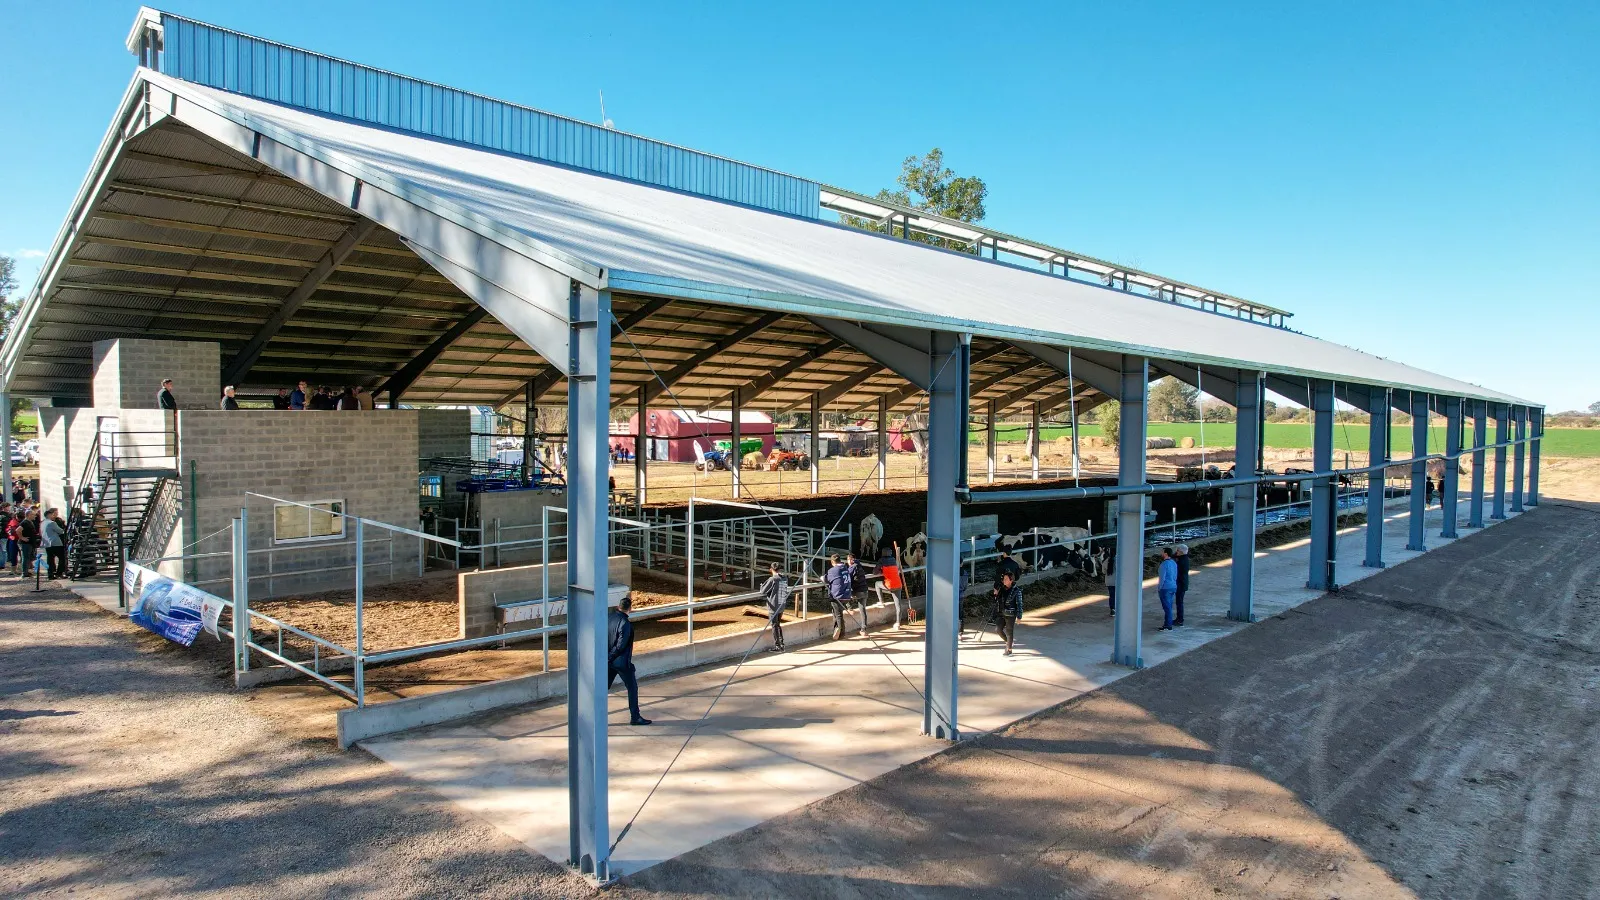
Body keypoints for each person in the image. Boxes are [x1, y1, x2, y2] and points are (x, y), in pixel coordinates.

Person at [607, 595, 651, 725]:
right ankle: (635, 717)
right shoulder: (626, 624)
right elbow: (621, 645)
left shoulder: (608, 618)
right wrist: (611, 656)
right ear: (630, 609)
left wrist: (606, 658)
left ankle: (593, 715)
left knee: (602, 688)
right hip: (620, 662)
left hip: (608, 661)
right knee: (632, 687)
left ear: (618, 607)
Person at [990, 570, 1024, 656]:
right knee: (998, 629)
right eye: (1003, 579)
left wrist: (1019, 616)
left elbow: (1019, 604)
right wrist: (996, 594)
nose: (1004, 580)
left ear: (1011, 580)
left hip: (1010, 614)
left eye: (1006, 579)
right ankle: (1008, 642)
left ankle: (1009, 650)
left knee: (1009, 631)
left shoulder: (1017, 591)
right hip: (1001, 613)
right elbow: (996, 600)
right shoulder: (1002, 589)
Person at [760, 563, 790, 651]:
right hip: (781, 604)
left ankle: (778, 646)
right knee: (778, 624)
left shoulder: (773, 579)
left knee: (774, 625)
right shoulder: (784, 578)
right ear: (779, 569)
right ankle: (782, 644)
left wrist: (762, 585)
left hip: (773, 606)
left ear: (771, 569)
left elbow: (763, 591)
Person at [824, 553, 852, 640]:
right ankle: (838, 630)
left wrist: (823, 578)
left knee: (838, 615)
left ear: (832, 562)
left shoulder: (833, 570)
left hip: (837, 596)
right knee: (837, 613)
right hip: (846, 595)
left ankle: (840, 631)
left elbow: (827, 579)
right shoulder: (845, 568)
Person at [41, 508, 66, 580]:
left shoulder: (43, 523)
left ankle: (50, 574)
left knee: (50, 559)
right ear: (49, 515)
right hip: (55, 543)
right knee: (62, 558)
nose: (53, 516)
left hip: (47, 543)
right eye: (52, 514)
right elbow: (60, 531)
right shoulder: (52, 523)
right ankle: (59, 572)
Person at [1157, 547, 1178, 631]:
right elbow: (1175, 575)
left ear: (1166, 554)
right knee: (1169, 606)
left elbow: (1162, 578)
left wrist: (1159, 588)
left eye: (1162, 552)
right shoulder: (1173, 563)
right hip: (1173, 586)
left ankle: (1168, 625)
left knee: (1167, 607)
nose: (1161, 553)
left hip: (1165, 588)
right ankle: (1168, 623)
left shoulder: (1164, 564)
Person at [16, 509, 40, 580]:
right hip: (25, 544)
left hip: (30, 543)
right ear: (29, 515)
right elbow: (18, 530)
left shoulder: (30, 522)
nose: (35, 516)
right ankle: (24, 573)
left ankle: (27, 571)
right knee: (25, 558)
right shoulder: (25, 522)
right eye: (33, 514)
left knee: (29, 558)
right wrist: (22, 538)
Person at [1174, 543, 1190, 628]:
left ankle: (1180, 620)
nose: (1176, 552)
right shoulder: (1184, 558)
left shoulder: (1182, 561)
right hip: (1183, 584)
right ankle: (1179, 619)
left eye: (1177, 550)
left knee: (1179, 602)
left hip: (1181, 584)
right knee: (1179, 602)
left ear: (1181, 552)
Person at [1100, 547, 1116, 615]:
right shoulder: (1120, 560)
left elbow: (1103, 572)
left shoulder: (1106, 561)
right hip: (1117, 582)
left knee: (1112, 595)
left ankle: (1112, 609)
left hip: (1109, 581)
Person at [3, 505, 18, 574]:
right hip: (15, 539)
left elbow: (7, 529)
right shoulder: (14, 522)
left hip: (12, 539)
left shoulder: (12, 521)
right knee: (14, 554)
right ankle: (15, 569)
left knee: (12, 554)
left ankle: (14, 569)